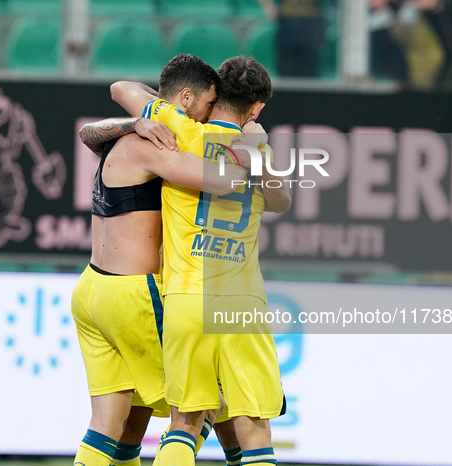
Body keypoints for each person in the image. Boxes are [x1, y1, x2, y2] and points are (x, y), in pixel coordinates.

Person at [71, 55, 254, 466]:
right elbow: (226, 181)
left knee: (117, 424)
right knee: (205, 400)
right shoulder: (156, 145)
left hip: (91, 289)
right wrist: (249, 137)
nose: (210, 116)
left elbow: (102, 113)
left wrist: (134, 120)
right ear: (187, 99)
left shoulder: (126, 137)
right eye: (208, 106)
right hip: (133, 295)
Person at [111, 55, 292, 466]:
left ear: (215, 96)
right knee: (254, 427)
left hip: (187, 296)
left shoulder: (183, 130)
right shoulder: (256, 151)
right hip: (242, 302)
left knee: (185, 422)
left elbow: (122, 88)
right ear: (257, 108)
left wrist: (144, 119)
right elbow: (282, 201)